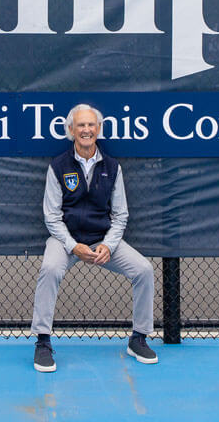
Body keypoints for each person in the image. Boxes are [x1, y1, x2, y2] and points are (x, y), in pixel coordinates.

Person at [30, 104, 157, 372]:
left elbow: (121, 215)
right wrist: (73, 246)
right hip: (67, 239)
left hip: (102, 238)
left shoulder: (112, 167)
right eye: (81, 126)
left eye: (91, 125)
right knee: (50, 268)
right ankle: (42, 342)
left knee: (144, 270)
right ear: (71, 131)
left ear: (98, 129)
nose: (86, 130)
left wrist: (108, 246)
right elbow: (51, 217)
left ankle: (139, 338)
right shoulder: (58, 166)